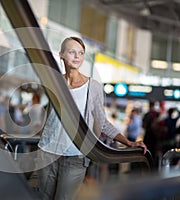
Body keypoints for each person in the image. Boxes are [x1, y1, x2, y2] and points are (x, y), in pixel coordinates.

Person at [37, 36, 147, 200]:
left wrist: (129, 142)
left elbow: (102, 123)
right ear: (61, 55)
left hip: (76, 155)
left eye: (81, 53)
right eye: (72, 52)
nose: (77, 56)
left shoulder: (93, 86)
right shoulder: (54, 81)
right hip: (47, 152)